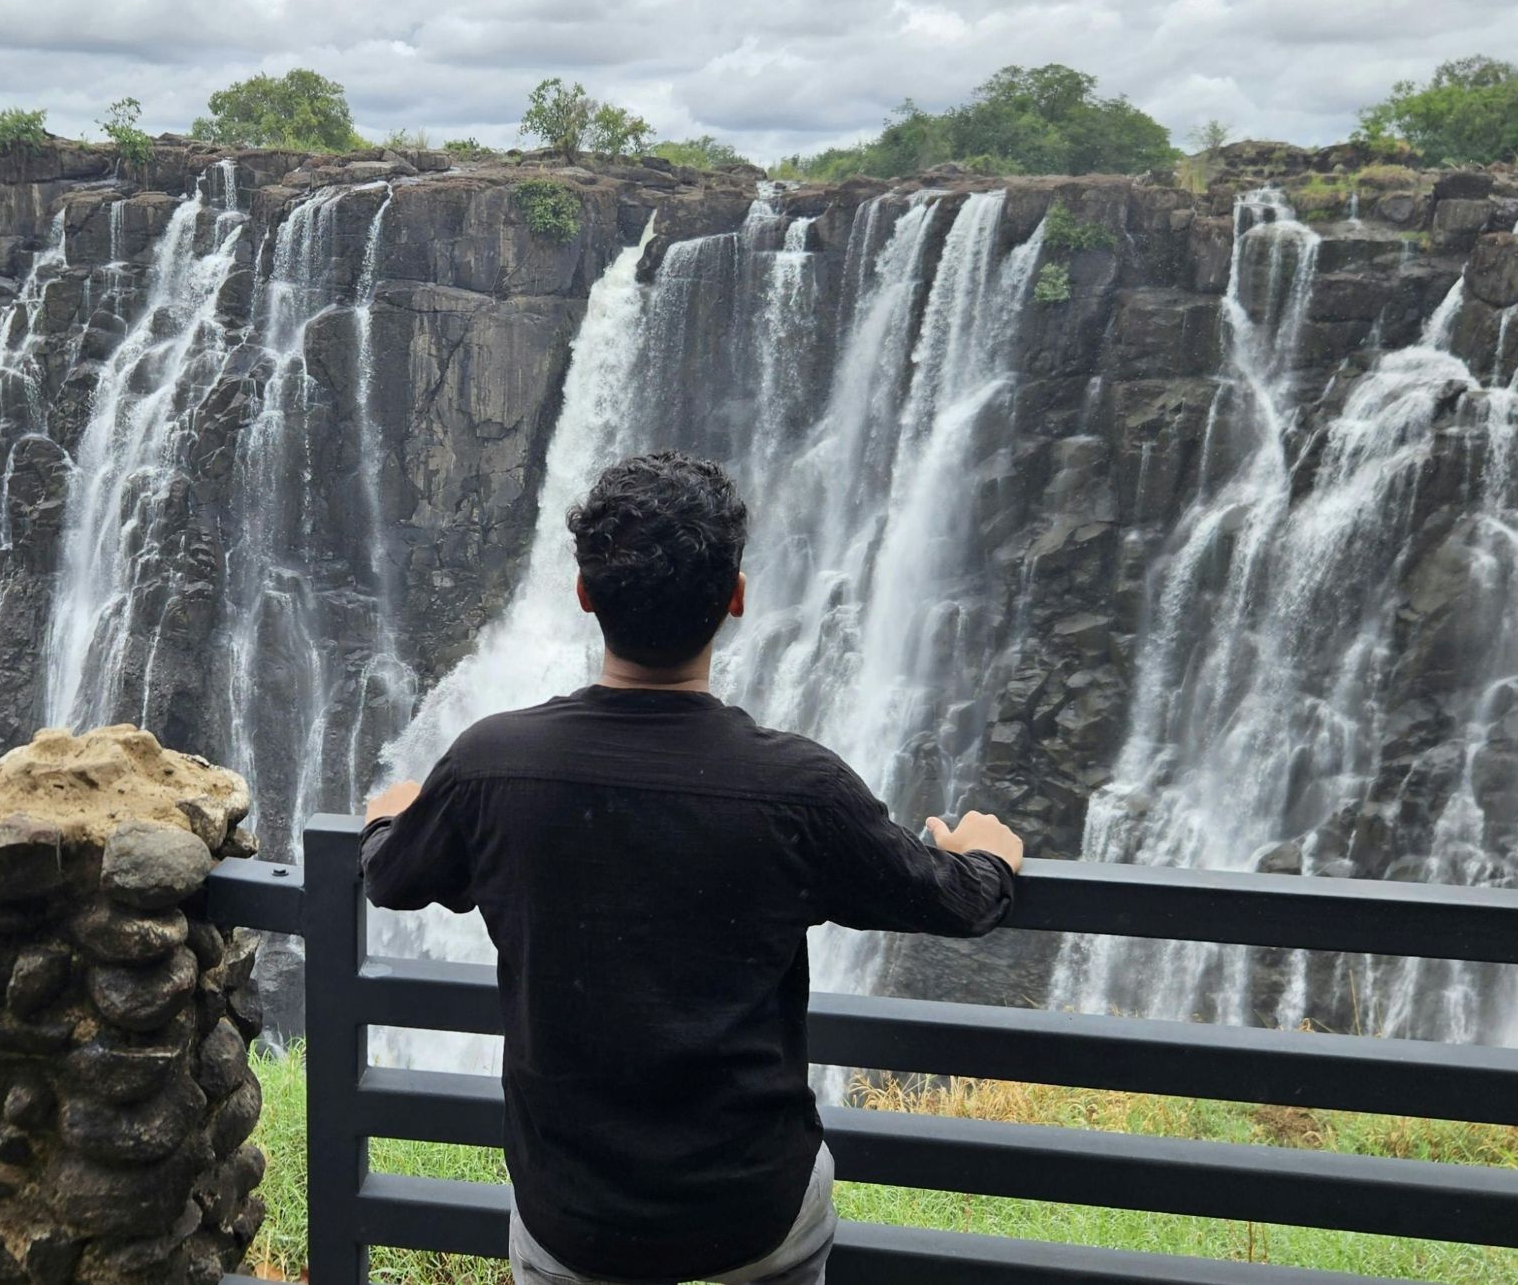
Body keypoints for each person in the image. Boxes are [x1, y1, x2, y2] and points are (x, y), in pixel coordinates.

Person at [361, 451, 1025, 1285]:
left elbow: (391, 874)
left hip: (574, 1217)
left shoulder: (491, 766)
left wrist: (394, 816)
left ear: (585, 596)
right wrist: (988, 858)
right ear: (736, 598)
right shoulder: (801, 790)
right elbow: (956, 900)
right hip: (752, 1215)